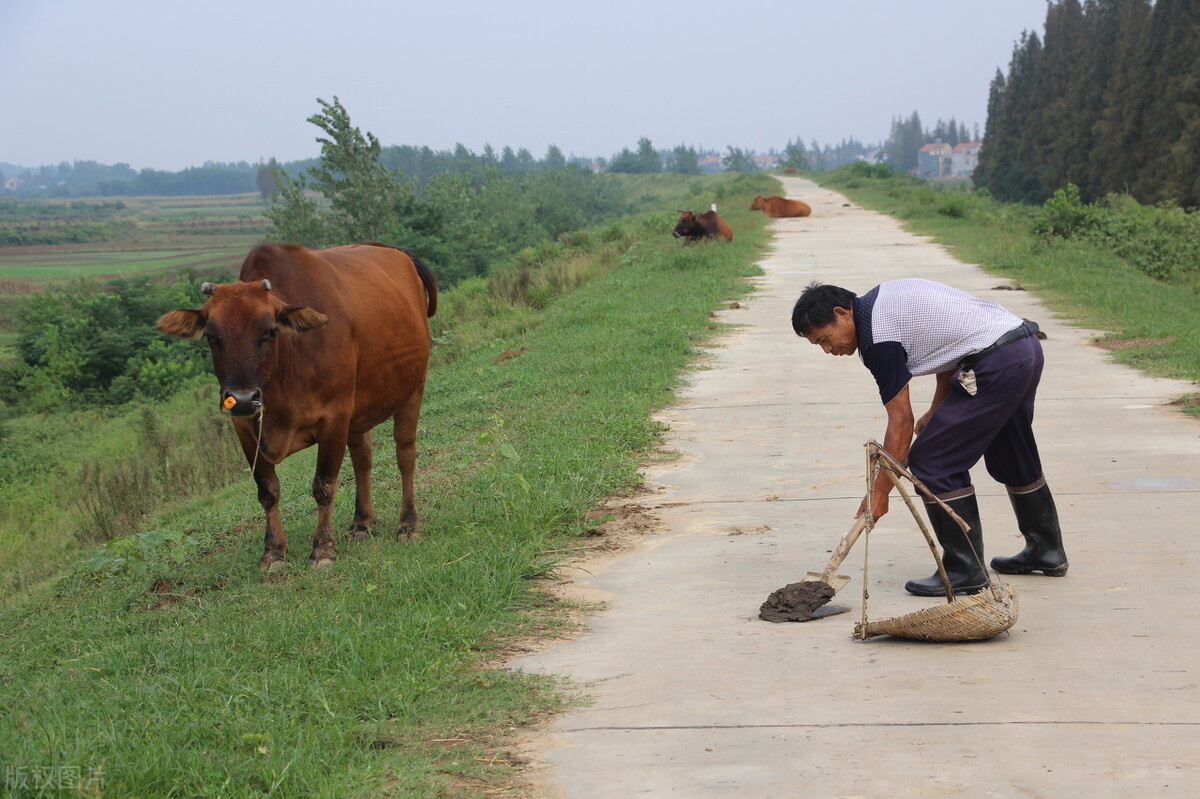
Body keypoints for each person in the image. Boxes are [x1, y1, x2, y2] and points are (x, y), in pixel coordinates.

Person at [791, 278, 1068, 596]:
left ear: (842, 314)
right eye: (820, 346)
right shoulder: (881, 303)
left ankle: (965, 569)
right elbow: (947, 349)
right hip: (1022, 348)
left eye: (826, 339)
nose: (829, 350)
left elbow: (901, 421)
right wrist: (937, 409)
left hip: (996, 362)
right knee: (1011, 451)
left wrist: (880, 492)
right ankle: (1046, 551)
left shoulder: (877, 339)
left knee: (932, 460)